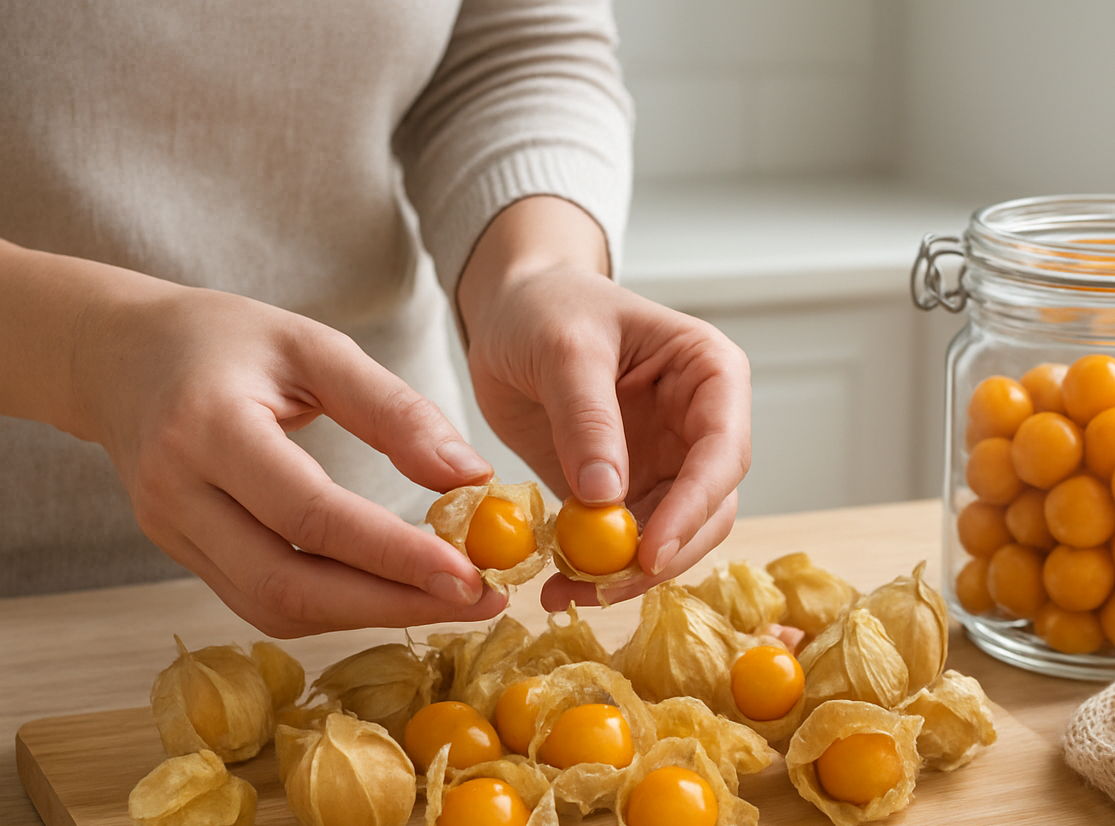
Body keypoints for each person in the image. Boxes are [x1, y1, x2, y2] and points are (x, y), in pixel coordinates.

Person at [0, 0, 751, 638]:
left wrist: (535, 272)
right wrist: (84, 355)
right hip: (24, 585)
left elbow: (511, 48)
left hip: (395, 537)